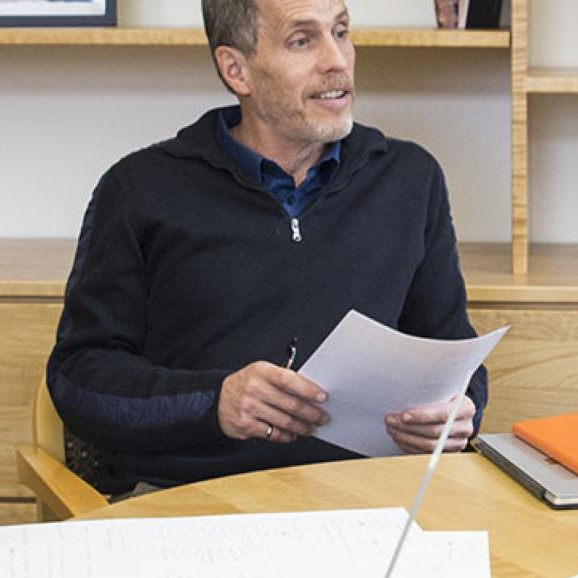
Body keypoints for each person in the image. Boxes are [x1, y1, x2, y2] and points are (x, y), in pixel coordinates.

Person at [46, 0, 488, 496]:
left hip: (368, 499)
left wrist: (456, 410)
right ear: (237, 70)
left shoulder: (410, 178)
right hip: (190, 500)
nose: (337, 60)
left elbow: (452, 352)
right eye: (303, 40)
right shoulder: (138, 190)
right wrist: (214, 402)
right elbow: (78, 378)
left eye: (341, 32)